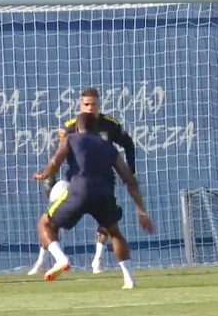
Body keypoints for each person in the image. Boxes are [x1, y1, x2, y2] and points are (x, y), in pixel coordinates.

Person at [22, 87, 137, 276]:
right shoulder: (70, 127)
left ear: (99, 105)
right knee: (51, 220)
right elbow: (57, 154)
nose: (90, 108)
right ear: (80, 105)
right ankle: (42, 260)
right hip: (77, 183)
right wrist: (49, 177)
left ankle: (98, 260)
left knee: (108, 224)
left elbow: (128, 144)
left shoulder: (111, 125)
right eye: (86, 104)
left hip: (104, 180)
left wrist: (131, 170)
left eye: (93, 104)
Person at [32, 112, 153, 288]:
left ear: (78, 128)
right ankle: (129, 279)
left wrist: (45, 174)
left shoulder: (71, 139)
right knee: (114, 232)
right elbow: (129, 180)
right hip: (104, 194)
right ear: (97, 129)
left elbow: (55, 161)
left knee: (45, 223)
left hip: (78, 191)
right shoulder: (109, 147)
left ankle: (60, 259)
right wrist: (141, 210)